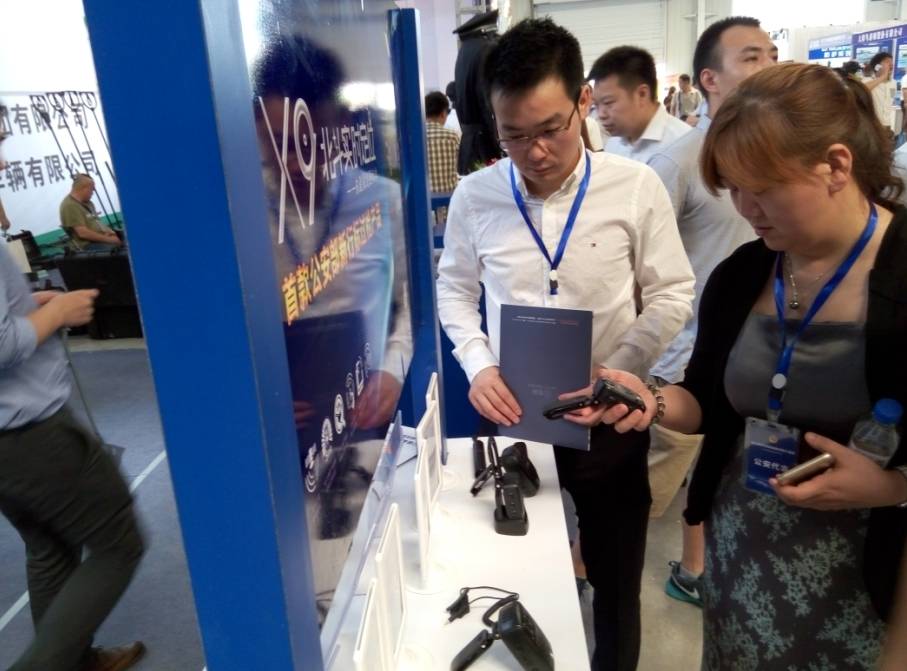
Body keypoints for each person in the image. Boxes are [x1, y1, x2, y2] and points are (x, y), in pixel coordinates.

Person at [576, 62, 907, 670]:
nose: (745, 208)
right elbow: (707, 398)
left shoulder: (899, 275)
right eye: (732, 188)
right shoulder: (744, 273)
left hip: (868, 579)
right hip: (740, 555)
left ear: (836, 165)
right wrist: (649, 397)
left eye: (763, 188)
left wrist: (892, 487)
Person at [436, 18, 695, 671]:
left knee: (615, 583)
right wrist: (478, 365)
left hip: (606, 417)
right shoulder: (476, 195)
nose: (536, 152)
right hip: (514, 414)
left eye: (550, 129)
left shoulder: (633, 188)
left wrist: (622, 368)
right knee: (511, 573)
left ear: (582, 101)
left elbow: (671, 293)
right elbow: (455, 292)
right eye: (514, 135)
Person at [0, 128, 146, 670]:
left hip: (14, 439)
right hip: (28, 434)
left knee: (50, 547)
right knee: (118, 542)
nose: (3, 162)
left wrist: (26, 307)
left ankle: (76, 662)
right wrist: (58, 312)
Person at [646, 15, 777, 607]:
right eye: (751, 57)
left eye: (771, 53)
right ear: (709, 79)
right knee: (663, 477)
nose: (751, 208)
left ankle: (695, 568)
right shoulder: (677, 164)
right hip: (689, 355)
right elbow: (645, 267)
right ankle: (588, 561)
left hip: (759, 361)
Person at [590, 46, 691, 164]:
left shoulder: (684, 144)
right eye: (596, 105)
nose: (601, 114)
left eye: (608, 103)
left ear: (642, 94)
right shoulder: (613, 145)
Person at [452, 9, 503, 174]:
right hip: (486, 146)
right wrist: (501, 144)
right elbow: (486, 103)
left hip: (470, 145)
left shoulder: (465, 52)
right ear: (488, 31)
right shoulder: (486, 50)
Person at [59, 175, 121, 251]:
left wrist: (112, 233)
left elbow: (97, 223)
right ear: (84, 188)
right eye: (92, 189)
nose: (93, 193)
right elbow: (83, 233)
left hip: (101, 238)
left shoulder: (88, 203)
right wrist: (110, 240)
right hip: (87, 245)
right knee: (121, 251)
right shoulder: (69, 206)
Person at [424, 91, 460, 195]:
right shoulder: (452, 136)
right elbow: (456, 165)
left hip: (425, 196)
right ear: (443, 113)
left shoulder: (417, 137)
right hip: (450, 195)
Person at [865, 51, 896, 132]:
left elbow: (892, 98)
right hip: (871, 125)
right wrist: (883, 77)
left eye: (891, 62)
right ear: (877, 66)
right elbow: (863, 89)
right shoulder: (867, 80)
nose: (891, 64)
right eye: (887, 62)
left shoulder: (893, 83)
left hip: (887, 124)